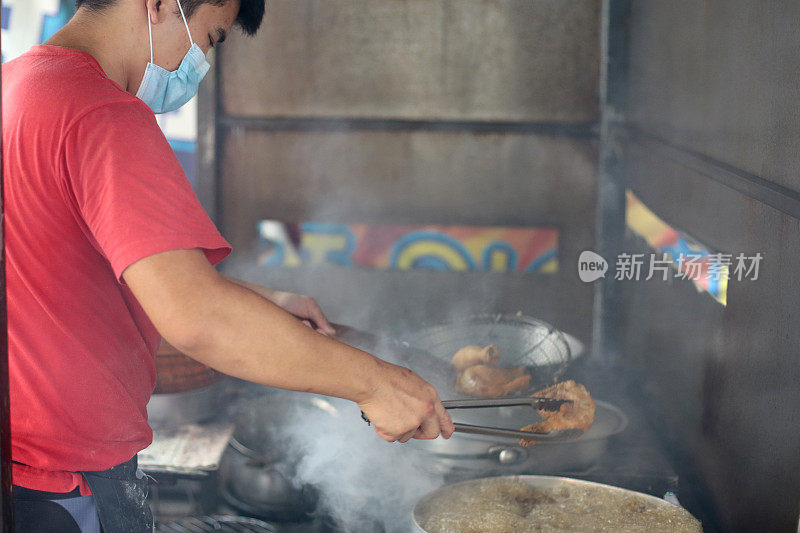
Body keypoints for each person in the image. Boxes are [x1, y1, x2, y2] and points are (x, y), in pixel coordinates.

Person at [2, 0, 454, 530]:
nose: (200, 62)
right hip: (65, 481)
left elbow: (67, 268)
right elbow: (198, 318)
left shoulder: (20, 85)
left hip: (23, 470)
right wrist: (378, 385)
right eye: (211, 38)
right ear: (159, 5)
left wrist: (266, 301)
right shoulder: (103, 114)